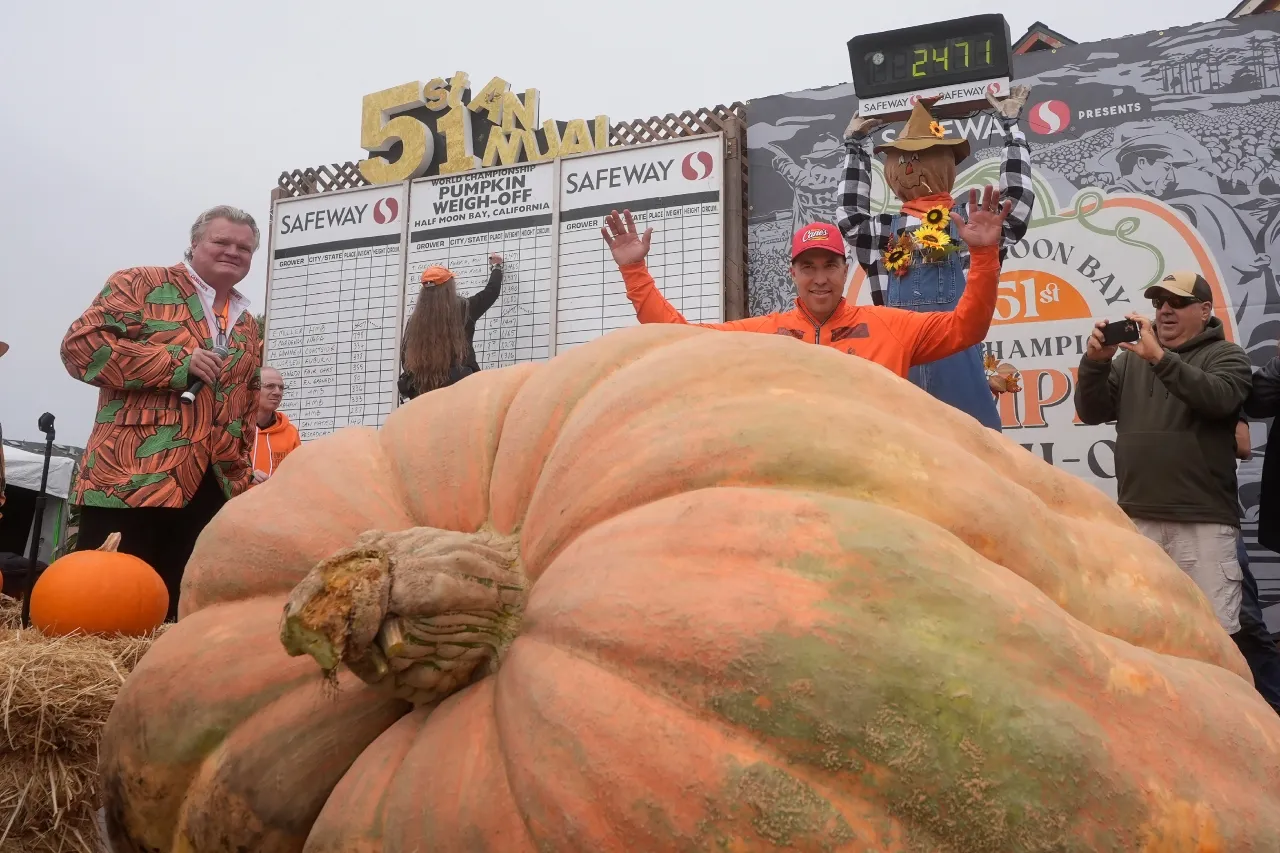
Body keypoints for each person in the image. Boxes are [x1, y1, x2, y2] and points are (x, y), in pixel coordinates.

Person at [1074, 272, 1280, 708]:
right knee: (1148, 634)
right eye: (1159, 302)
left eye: (1177, 302)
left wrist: (1159, 359)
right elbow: (1091, 411)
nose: (1164, 309)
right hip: (1139, 521)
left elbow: (1220, 399)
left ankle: (1235, 726)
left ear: (1205, 312)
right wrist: (1095, 361)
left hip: (1202, 524)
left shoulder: (1227, 355)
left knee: (1215, 641)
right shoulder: (1129, 360)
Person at [60, 205, 262, 621]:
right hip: (133, 476)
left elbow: (246, 401)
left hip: (213, 487)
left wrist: (241, 477)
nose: (233, 252)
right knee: (105, 610)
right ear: (194, 244)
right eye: (221, 241)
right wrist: (176, 363)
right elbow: (80, 350)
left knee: (182, 615)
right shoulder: (140, 283)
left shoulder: (246, 324)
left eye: (244, 247)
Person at [601, 185, 1012, 379]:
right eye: (808, 267)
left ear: (845, 269)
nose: (820, 279)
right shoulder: (763, 334)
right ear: (792, 273)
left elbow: (966, 327)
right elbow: (680, 339)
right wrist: (635, 272)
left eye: (829, 266)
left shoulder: (892, 327)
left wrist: (982, 255)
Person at [836, 91, 1034, 430]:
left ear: (945, 164)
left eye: (920, 158)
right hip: (899, 369)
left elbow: (1016, 205)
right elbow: (850, 214)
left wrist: (1012, 130)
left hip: (961, 364)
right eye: (901, 160)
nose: (909, 168)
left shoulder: (970, 222)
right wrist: (854, 149)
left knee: (975, 460)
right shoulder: (883, 232)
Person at [398, 253, 504, 401]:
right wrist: (497, 268)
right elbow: (490, 293)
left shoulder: (414, 321)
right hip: (460, 391)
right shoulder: (464, 309)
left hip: (422, 393)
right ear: (449, 288)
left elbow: (405, 359)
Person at [1229, 414, 1280, 714]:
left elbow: (1243, 445)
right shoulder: (1135, 375)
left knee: (1244, 617)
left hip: (1207, 513)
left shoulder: (1214, 375)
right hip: (1143, 509)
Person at [250, 366, 300, 485]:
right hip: (235, 502)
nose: (277, 392)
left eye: (281, 388)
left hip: (275, 502)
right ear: (253, 389)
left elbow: (298, 475)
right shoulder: (233, 427)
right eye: (270, 386)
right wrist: (246, 476)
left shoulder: (290, 433)